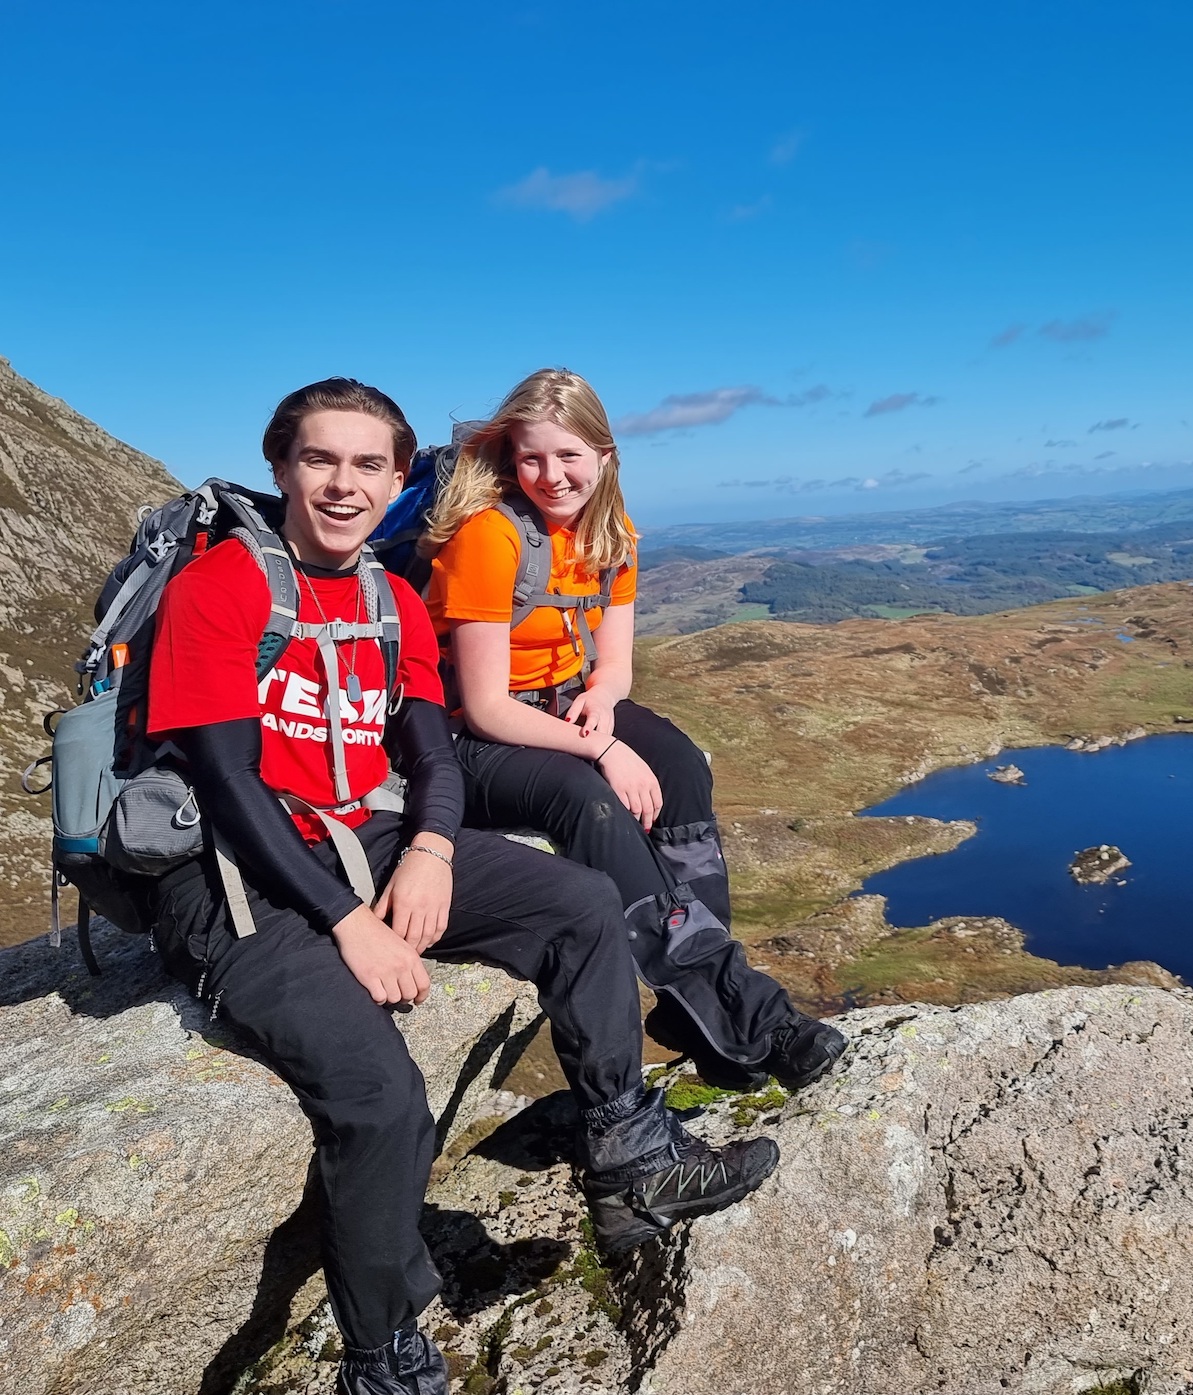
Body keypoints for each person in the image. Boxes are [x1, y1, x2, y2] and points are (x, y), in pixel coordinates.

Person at [145, 379, 777, 1395]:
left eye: (368, 465)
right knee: (381, 1096)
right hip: (236, 882)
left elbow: (437, 759)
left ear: (401, 478)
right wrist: (350, 922)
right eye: (320, 460)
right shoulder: (220, 587)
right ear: (280, 469)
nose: (344, 485)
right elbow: (224, 783)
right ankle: (383, 1354)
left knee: (577, 906)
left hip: (378, 837)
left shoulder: (388, 599)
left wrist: (432, 853)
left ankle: (628, 1160)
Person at [421, 369, 846, 1091]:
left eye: (568, 456)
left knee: (680, 765)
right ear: (509, 457)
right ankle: (751, 1015)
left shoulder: (611, 537)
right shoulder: (489, 538)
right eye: (531, 458)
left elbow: (613, 666)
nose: (550, 476)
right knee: (587, 798)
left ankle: (694, 1008)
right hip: (470, 735)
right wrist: (603, 746)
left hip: (563, 701)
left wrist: (605, 706)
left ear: (606, 454)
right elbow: (487, 706)